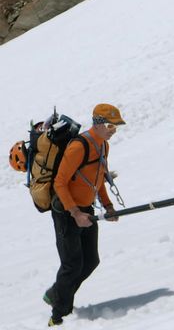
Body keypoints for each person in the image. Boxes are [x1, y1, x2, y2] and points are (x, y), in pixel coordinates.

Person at [43, 103, 125, 326]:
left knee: (90, 260)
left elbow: (96, 180)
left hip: (85, 210)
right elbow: (60, 183)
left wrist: (108, 206)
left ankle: (56, 293)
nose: (113, 130)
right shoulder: (79, 147)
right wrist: (75, 212)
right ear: (97, 123)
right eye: (110, 125)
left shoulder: (103, 146)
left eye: (116, 126)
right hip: (67, 211)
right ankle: (58, 315)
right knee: (71, 265)